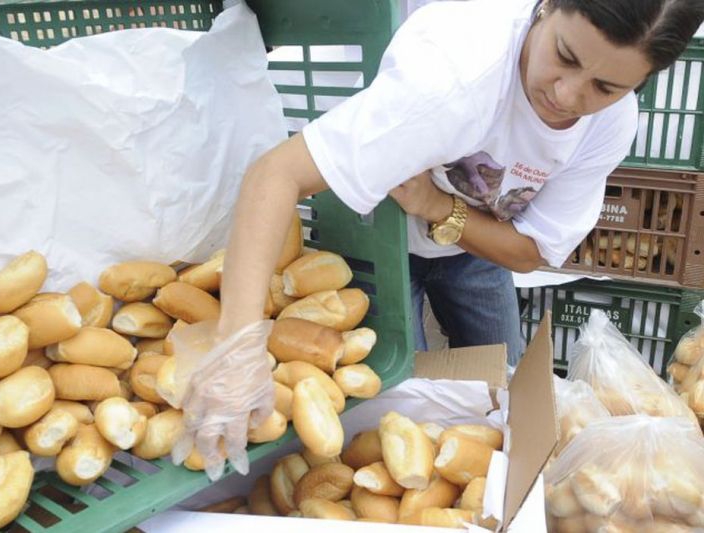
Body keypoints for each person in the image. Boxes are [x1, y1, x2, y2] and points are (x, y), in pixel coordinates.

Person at [172, 0, 704, 479]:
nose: (566, 95)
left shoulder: (610, 123)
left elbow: (531, 253)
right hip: (376, 236)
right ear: (547, 7)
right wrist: (236, 345)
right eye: (564, 56)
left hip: (476, 250)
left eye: (605, 87)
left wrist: (437, 208)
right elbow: (276, 174)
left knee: (508, 390)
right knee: (391, 405)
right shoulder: (456, 75)